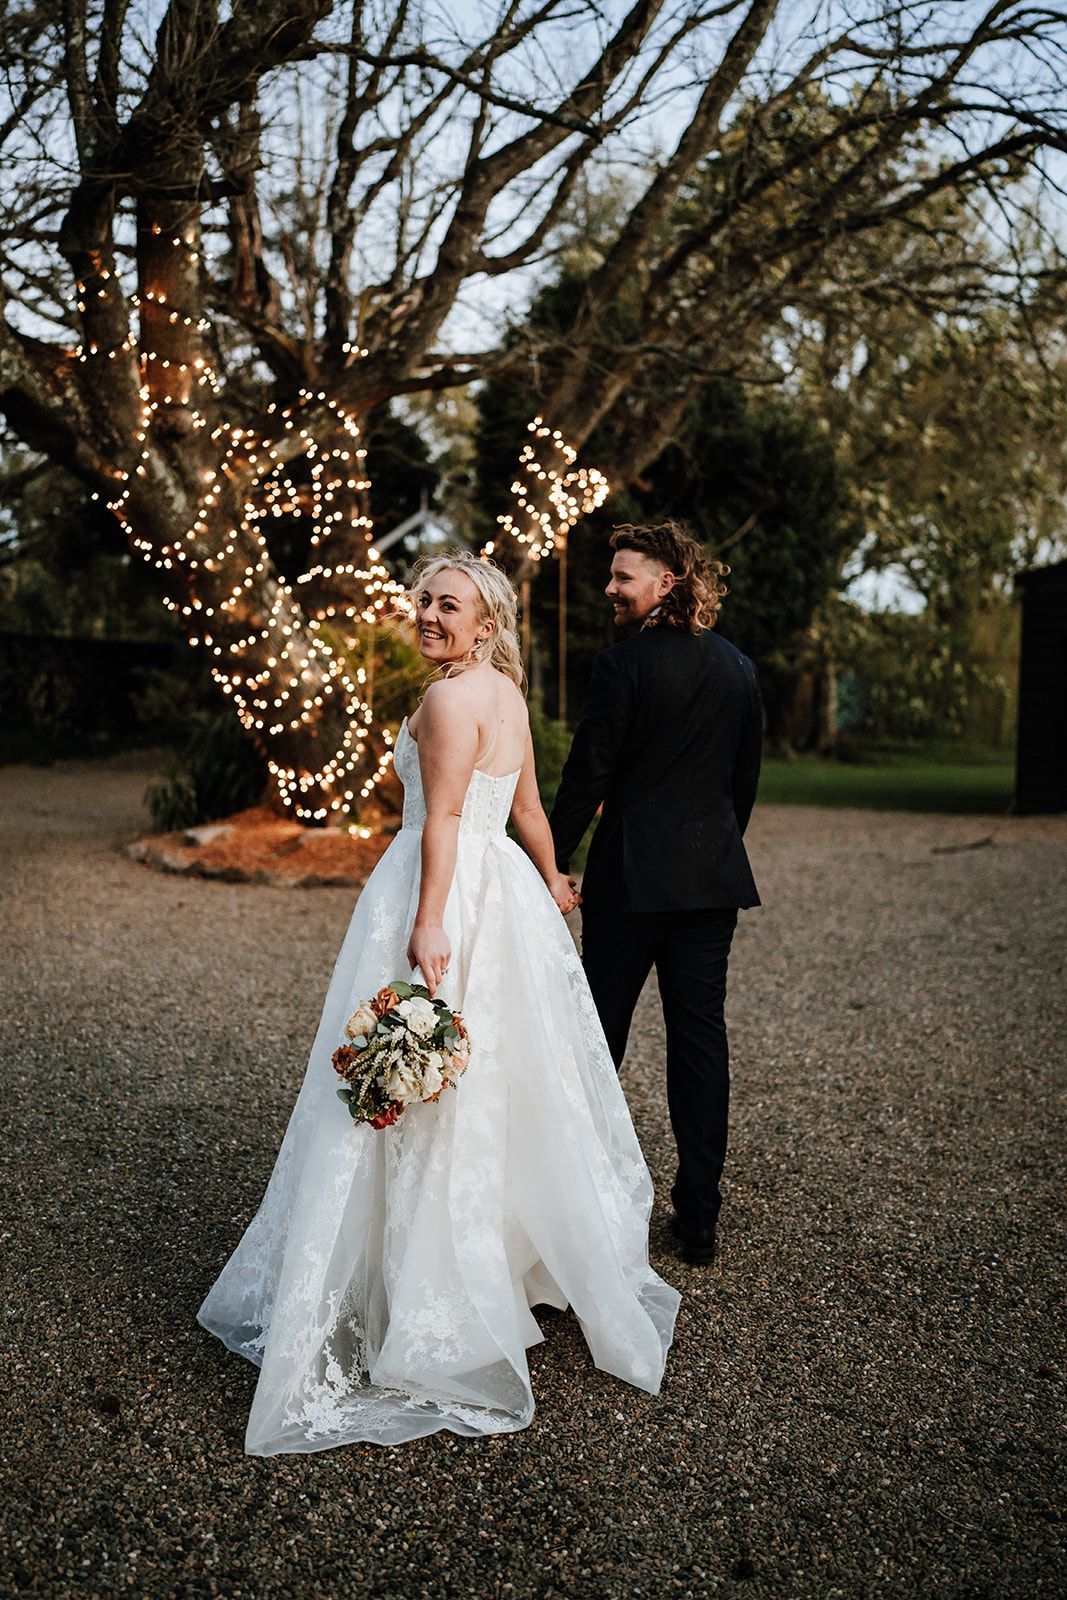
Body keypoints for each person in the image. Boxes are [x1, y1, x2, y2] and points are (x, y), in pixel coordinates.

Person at [197, 552, 679, 1455]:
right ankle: (496, 1257)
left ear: (485, 623)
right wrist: (551, 878)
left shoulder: (454, 702)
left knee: (423, 1078)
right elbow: (530, 808)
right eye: (422, 599)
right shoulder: (502, 695)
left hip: (443, 892)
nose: (426, 614)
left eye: (446, 605)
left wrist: (425, 926)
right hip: (503, 899)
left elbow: (450, 819)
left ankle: (428, 1291)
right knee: (495, 1079)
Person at [549, 521, 762, 1266]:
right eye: (610, 575)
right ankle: (697, 1217)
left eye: (622, 577)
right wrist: (704, 850)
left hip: (631, 883)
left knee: (594, 1038)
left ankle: (575, 1211)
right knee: (699, 1044)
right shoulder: (737, 667)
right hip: (709, 885)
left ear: (665, 583)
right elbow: (742, 790)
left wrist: (546, 859)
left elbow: (587, 776)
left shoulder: (624, 667)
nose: (609, 588)